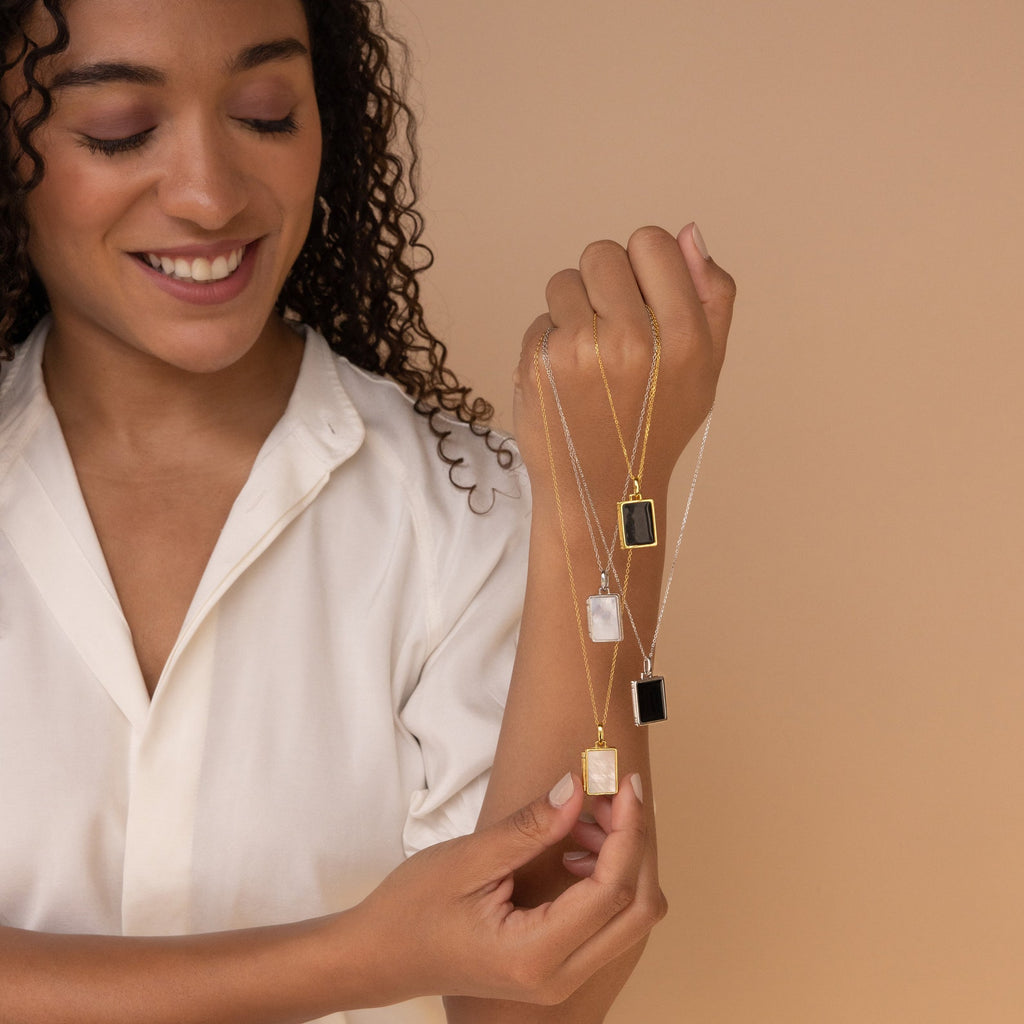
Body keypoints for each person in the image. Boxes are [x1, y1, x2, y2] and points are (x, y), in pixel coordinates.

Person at [0, 0, 735, 1020]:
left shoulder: (464, 517)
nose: (210, 197)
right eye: (120, 130)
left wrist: (607, 495)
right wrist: (365, 955)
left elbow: (530, 998)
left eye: (264, 113)